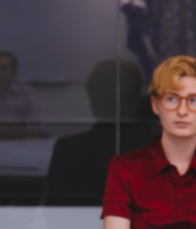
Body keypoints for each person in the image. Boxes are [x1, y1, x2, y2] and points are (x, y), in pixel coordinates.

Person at [102, 55, 196, 229]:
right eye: (172, 99)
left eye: (194, 100)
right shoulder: (125, 168)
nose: (182, 111)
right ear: (155, 105)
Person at [45, 59, 157, 205]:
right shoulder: (158, 147)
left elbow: (53, 215)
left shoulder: (69, 149)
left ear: (91, 97)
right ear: (136, 99)